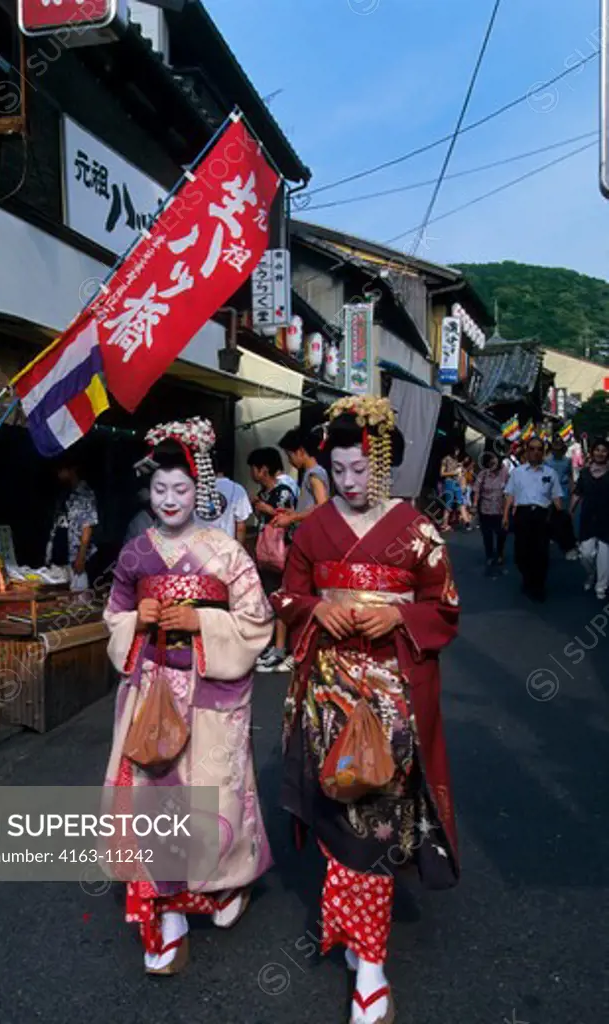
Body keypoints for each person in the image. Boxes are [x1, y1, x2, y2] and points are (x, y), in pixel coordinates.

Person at [272, 395, 459, 1024]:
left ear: (383, 466)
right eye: (340, 469)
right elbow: (290, 594)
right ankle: (357, 932)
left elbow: (446, 606)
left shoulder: (418, 530)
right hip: (326, 691)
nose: (349, 483)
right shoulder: (314, 529)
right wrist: (313, 609)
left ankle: (371, 968)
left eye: (361, 470)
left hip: (389, 698)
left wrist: (400, 614)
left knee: (372, 821)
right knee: (337, 811)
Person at [102, 417, 274, 975]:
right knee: (156, 795)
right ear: (147, 493)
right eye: (159, 489)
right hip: (153, 691)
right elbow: (113, 618)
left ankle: (224, 886)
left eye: (180, 489)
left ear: (198, 489)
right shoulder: (134, 555)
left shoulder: (226, 553)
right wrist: (137, 619)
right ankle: (167, 913)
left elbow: (256, 621)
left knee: (217, 795)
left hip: (209, 688)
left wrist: (202, 623)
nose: (169, 500)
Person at [247, 447, 297, 672]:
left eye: (253, 468)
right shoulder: (263, 492)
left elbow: (286, 518)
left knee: (279, 597)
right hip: (265, 551)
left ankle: (280, 648)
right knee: (268, 596)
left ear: (263, 469)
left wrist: (265, 509)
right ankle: (271, 645)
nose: (251, 473)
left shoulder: (283, 491)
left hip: (280, 551)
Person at [502, 436, 564, 601]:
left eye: (539, 450)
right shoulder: (517, 472)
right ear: (527, 452)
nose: (535, 452)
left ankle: (538, 586)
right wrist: (506, 515)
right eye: (532, 449)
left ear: (543, 453)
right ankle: (527, 577)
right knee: (521, 553)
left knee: (540, 552)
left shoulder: (551, 473)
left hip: (542, 515)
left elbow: (557, 497)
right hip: (522, 514)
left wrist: (562, 517)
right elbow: (509, 495)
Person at [46, 455, 99, 592]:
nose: (58, 474)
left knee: (77, 599)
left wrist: (81, 557)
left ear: (71, 470)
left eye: (61, 470)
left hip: (75, 557)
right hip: (59, 555)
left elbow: (87, 528)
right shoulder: (63, 494)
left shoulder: (85, 494)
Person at [570, 437, 609, 599]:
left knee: (604, 557)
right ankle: (591, 574)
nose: (600, 453)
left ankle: (601, 586)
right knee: (586, 554)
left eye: (604, 450)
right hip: (588, 519)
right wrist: (570, 511)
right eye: (597, 450)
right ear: (592, 452)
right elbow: (577, 494)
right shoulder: (585, 473)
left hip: (607, 519)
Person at [274, 427, 330, 531]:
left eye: (290, 456)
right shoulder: (312, 473)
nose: (289, 461)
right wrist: (295, 513)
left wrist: (293, 517)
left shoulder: (314, 474)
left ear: (300, 451)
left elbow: (322, 504)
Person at [195, 450, 252, 545]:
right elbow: (240, 527)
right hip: (225, 547)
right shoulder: (236, 489)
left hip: (198, 547)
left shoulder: (192, 488)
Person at [474, 452, 509, 573]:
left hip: (500, 509)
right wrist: (474, 505)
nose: (493, 463)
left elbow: (510, 490)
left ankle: (499, 553)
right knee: (487, 534)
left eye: (495, 461)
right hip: (485, 509)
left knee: (501, 533)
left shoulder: (504, 473)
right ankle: (489, 555)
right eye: (491, 461)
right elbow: (477, 490)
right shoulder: (483, 474)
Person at [546, 436, 578, 559]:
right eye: (555, 447)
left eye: (560, 448)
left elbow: (570, 476)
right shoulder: (547, 461)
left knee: (565, 519)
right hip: (550, 495)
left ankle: (569, 546)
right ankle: (554, 537)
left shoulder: (567, 461)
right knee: (551, 519)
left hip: (564, 494)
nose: (557, 450)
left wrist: (572, 491)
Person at [439, 445, 471, 531]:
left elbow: (459, 471)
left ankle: (467, 522)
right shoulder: (445, 459)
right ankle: (444, 524)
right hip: (449, 482)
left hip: (456, 483)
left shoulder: (456, 459)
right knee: (449, 504)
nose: (457, 452)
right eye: (456, 450)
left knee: (461, 501)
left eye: (458, 451)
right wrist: (454, 472)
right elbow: (442, 473)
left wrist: (460, 471)